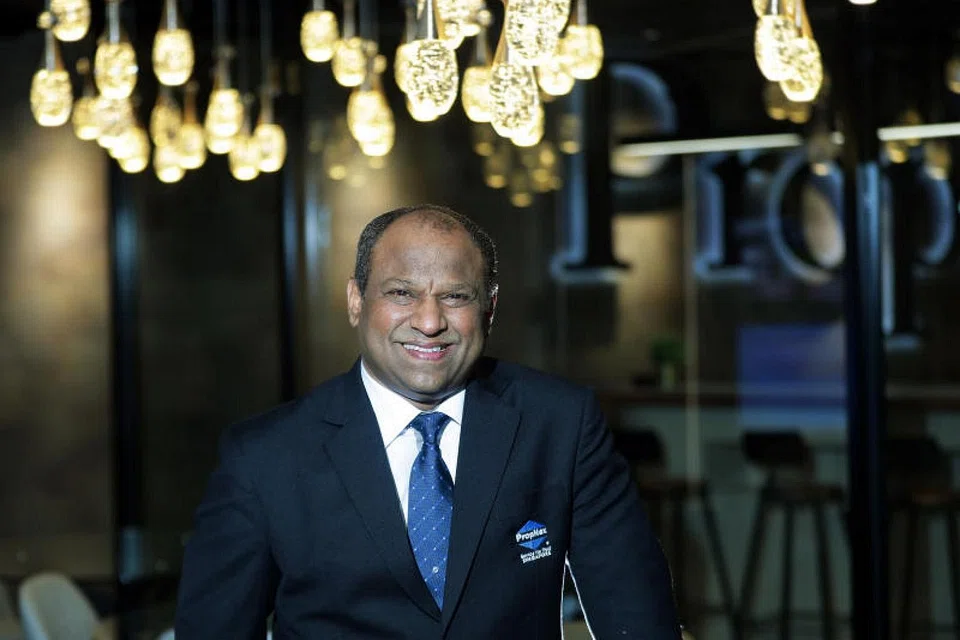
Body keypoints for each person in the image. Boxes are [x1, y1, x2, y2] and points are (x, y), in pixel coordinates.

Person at [175, 204, 680, 639]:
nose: (430, 321)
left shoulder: (561, 424)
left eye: (456, 296)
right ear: (356, 301)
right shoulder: (263, 457)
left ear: (489, 309)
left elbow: (635, 611)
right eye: (401, 293)